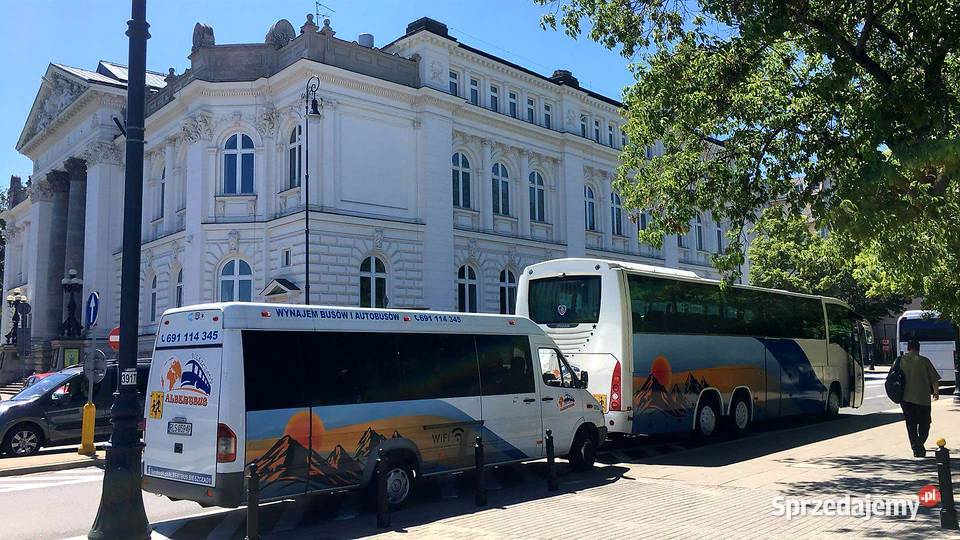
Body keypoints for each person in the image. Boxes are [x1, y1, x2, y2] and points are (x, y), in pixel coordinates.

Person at [900, 339, 940, 457]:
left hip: (905, 398)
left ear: (908, 348)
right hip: (922, 399)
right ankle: (919, 444)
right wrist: (936, 392)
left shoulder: (899, 360)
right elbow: (934, 379)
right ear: (918, 348)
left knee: (910, 423)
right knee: (925, 423)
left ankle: (915, 447)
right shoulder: (924, 361)